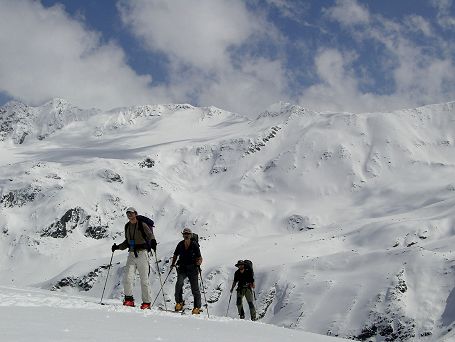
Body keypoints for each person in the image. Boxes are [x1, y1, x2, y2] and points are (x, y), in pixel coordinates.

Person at [111, 207, 157, 309]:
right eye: (128, 214)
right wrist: (117, 247)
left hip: (143, 253)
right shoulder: (127, 226)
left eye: (131, 213)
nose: (129, 215)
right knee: (127, 277)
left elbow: (150, 235)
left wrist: (153, 242)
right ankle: (129, 299)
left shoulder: (142, 224)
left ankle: (146, 303)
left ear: (135, 214)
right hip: (132, 253)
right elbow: (127, 242)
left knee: (144, 279)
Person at [170, 227, 202, 314]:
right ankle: (179, 302)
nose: (186, 235)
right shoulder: (180, 244)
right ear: (183, 235)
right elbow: (175, 254)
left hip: (192, 268)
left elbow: (199, 257)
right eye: (185, 234)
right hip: (182, 268)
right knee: (179, 284)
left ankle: (197, 307)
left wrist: (199, 263)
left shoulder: (194, 244)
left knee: (195, 289)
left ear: (190, 235)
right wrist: (173, 263)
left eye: (188, 234)